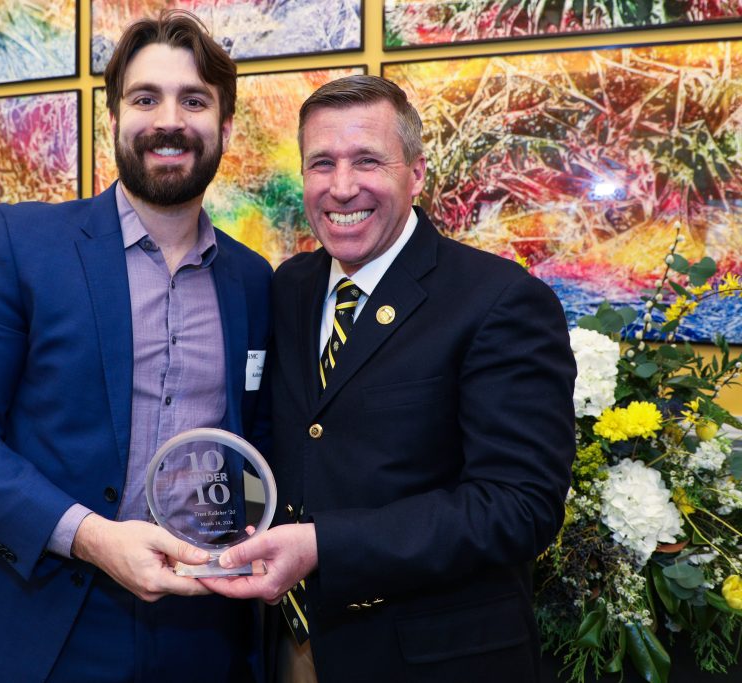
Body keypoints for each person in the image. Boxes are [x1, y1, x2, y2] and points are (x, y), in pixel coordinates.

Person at [0, 10, 271, 682]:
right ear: (113, 122)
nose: (169, 120)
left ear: (224, 127)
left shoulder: (253, 280)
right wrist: (94, 539)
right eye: (144, 98)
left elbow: (254, 446)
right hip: (32, 619)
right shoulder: (18, 244)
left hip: (199, 632)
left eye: (194, 100)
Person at [202, 75, 577, 682]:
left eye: (367, 161)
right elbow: (285, 441)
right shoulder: (291, 286)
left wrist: (324, 544)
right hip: (288, 648)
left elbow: (520, 506)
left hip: (430, 659)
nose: (341, 186)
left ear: (417, 173)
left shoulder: (501, 301)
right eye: (321, 163)